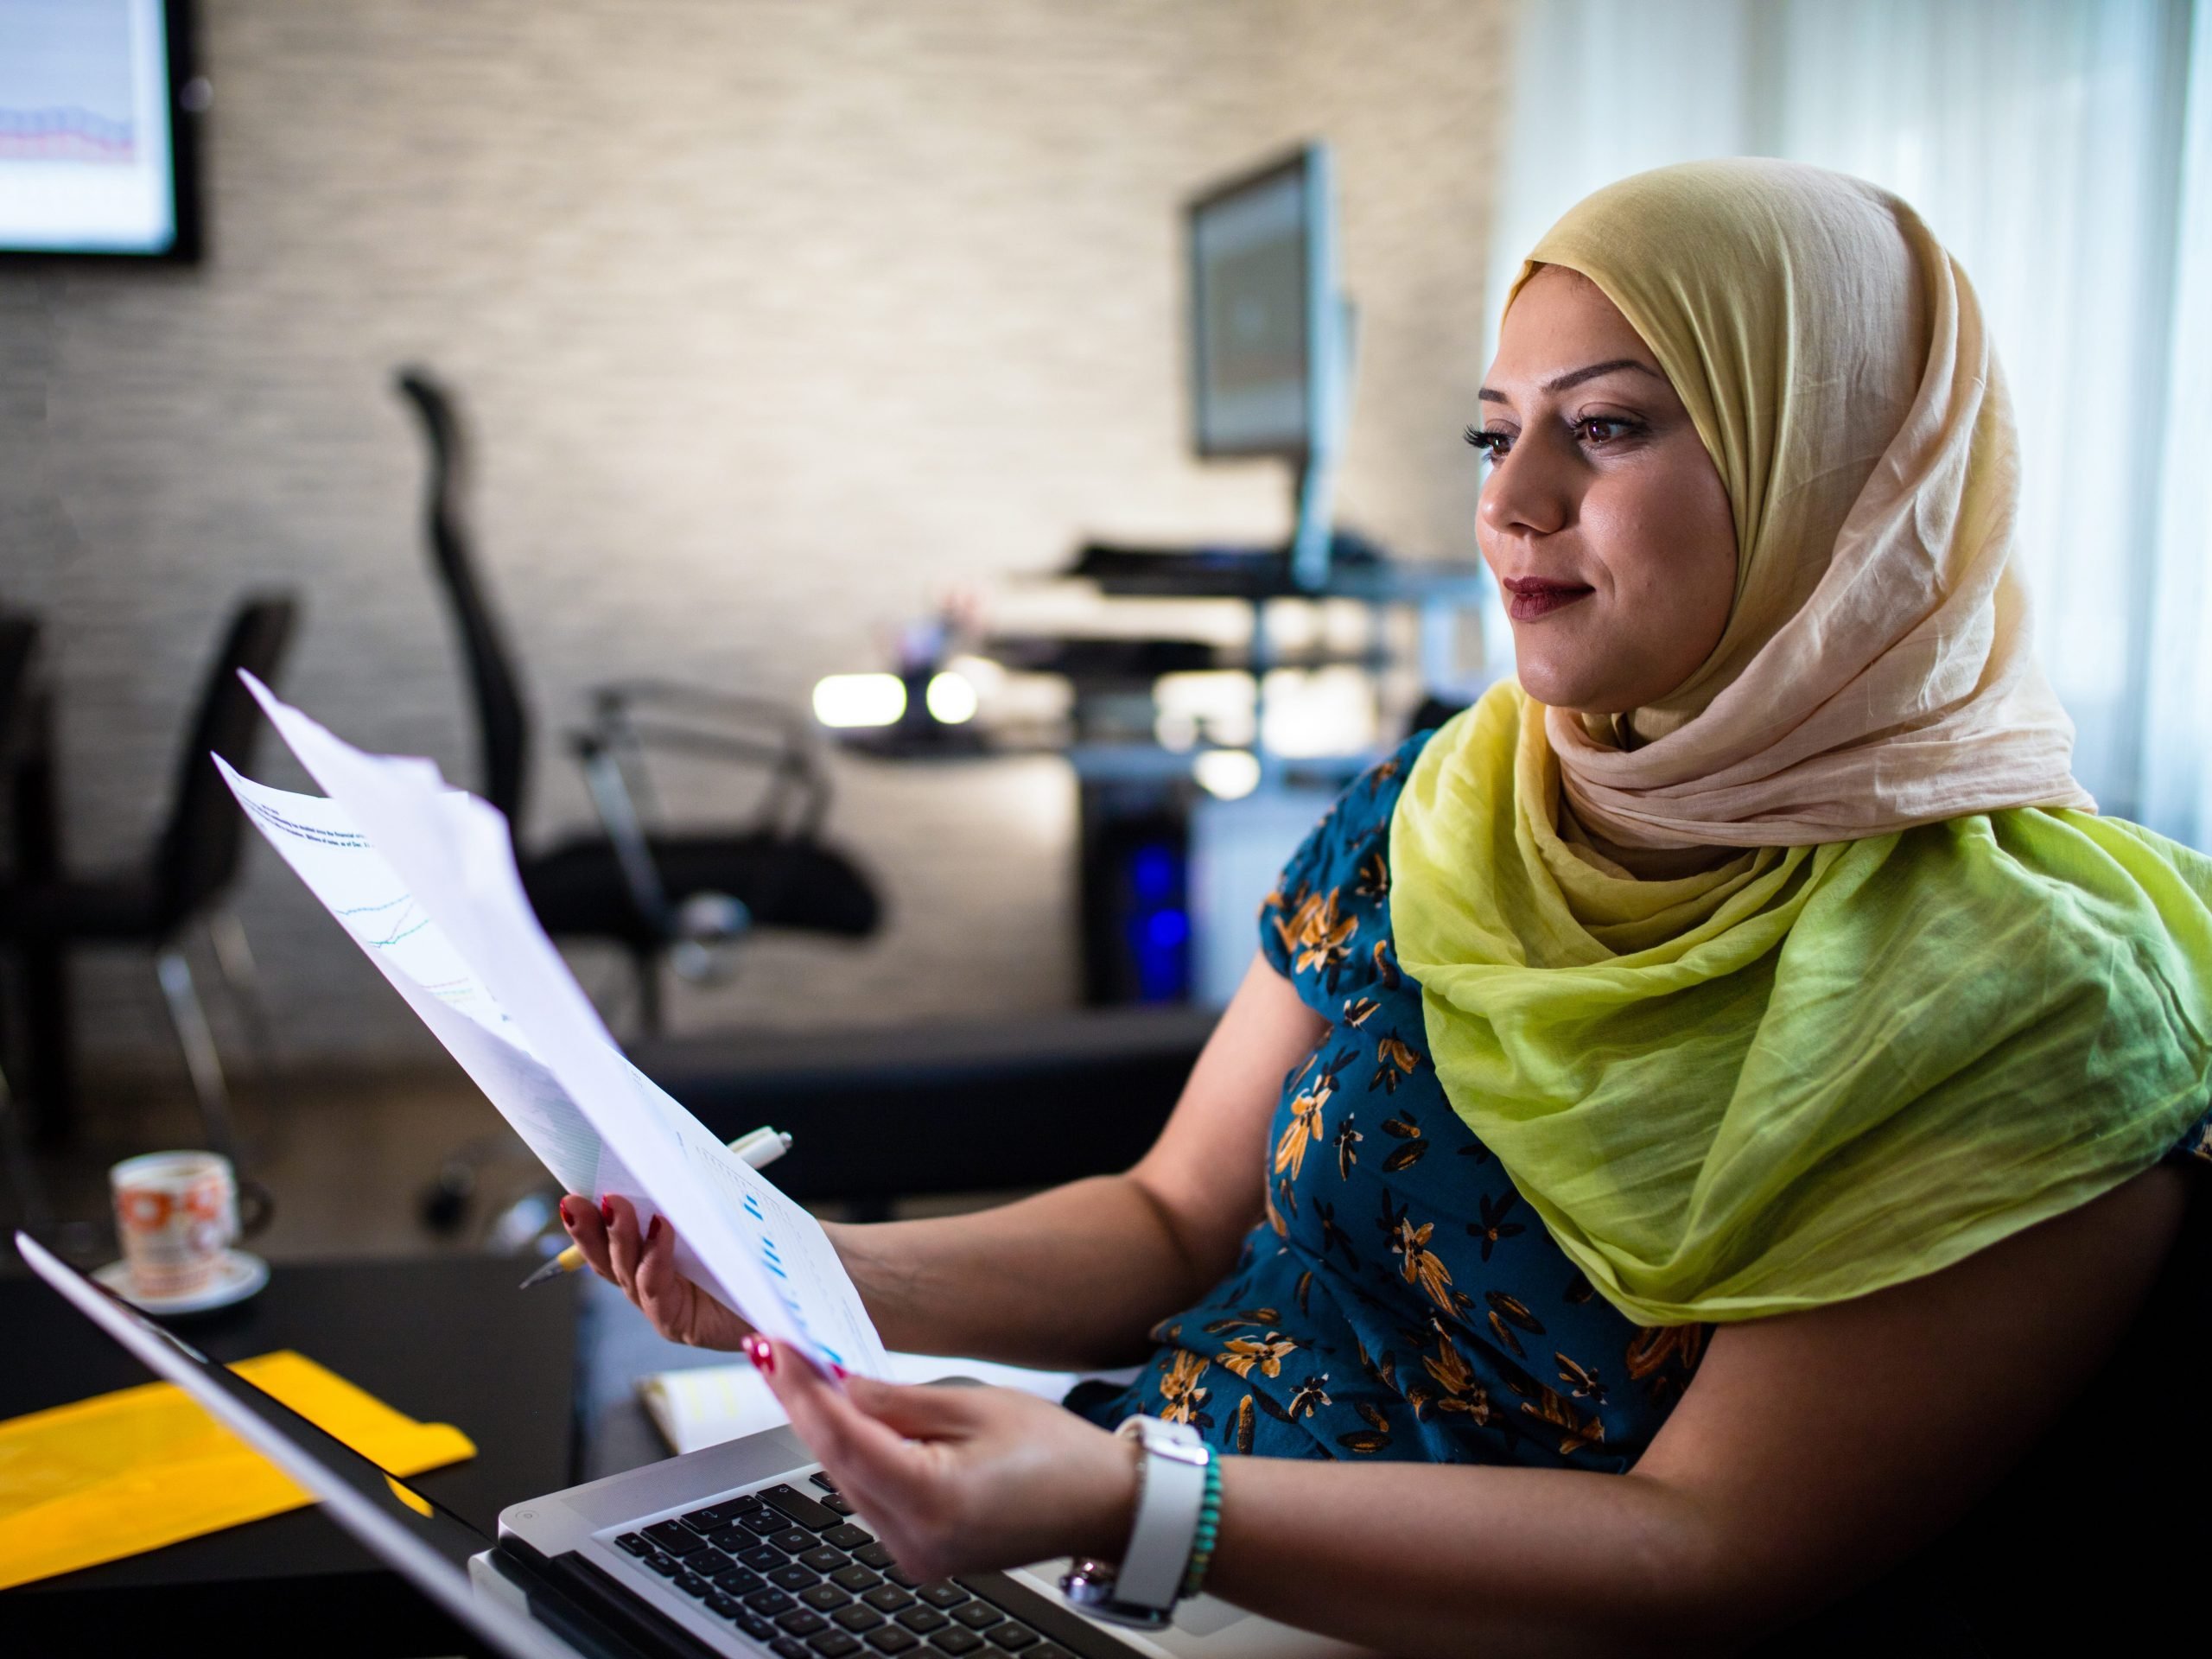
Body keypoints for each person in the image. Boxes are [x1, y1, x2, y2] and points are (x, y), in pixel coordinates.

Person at [560, 160, 2212, 1654]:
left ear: (1838, 477)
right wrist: (813, 1274)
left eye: (1611, 427)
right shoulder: (1446, 799)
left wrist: (1131, 1505)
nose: (1510, 502)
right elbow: (1172, 1224)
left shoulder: (2023, 996)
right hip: (1130, 1547)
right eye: (1497, 434)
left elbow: (1705, 1551)